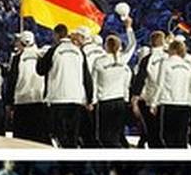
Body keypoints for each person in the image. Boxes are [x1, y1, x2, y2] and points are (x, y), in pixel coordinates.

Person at [36, 24, 93, 148]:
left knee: (59, 136)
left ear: (56, 35)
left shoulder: (53, 50)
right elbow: (87, 77)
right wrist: (89, 99)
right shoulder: (79, 51)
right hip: (76, 99)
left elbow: (40, 70)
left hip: (58, 99)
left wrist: (40, 58)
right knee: (73, 137)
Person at [91, 17, 136, 148]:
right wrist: (129, 27)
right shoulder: (123, 60)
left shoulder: (99, 62)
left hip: (105, 103)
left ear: (106, 46)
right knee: (116, 135)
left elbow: (94, 83)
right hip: (120, 102)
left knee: (105, 136)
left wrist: (92, 101)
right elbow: (132, 45)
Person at [151, 39, 191, 148]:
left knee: (168, 137)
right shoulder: (188, 65)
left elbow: (160, 84)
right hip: (184, 104)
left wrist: (154, 103)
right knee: (182, 138)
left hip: (169, 103)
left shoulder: (166, 63)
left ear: (172, 49)